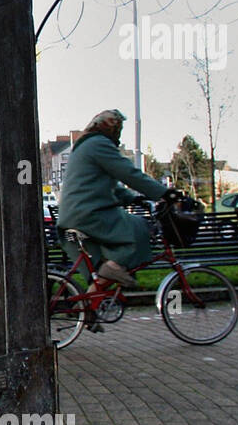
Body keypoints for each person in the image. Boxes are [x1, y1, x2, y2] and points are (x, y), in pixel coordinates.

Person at [56, 108, 175, 289]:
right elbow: (128, 173)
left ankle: (88, 311)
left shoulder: (84, 146)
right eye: (118, 129)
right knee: (140, 228)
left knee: (100, 274)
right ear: (110, 128)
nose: (119, 134)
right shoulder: (99, 144)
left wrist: (133, 199)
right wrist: (165, 193)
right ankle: (112, 270)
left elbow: (103, 184)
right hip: (89, 215)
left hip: (71, 219)